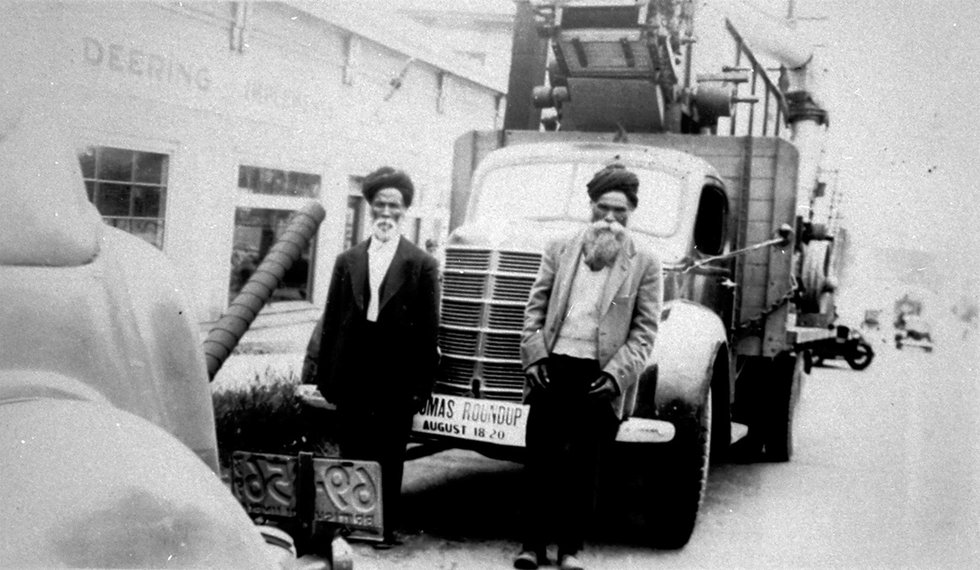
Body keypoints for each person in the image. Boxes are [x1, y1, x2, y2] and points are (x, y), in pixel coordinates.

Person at [514, 163, 663, 570]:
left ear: (632, 212)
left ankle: (570, 550)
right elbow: (535, 308)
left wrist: (616, 377)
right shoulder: (560, 247)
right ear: (590, 206)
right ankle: (530, 546)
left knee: (584, 467)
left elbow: (645, 332)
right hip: (553, 366)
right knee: (540, 460)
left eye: (620, 211)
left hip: (600, 376)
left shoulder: (645, 262)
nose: (610, 219)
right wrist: (535, 357)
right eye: (602, 209)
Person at [312, 166, 440, 548]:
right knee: (353, 445)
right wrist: (326, 375)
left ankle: (383, 527)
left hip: (395, 376)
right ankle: (351, 521)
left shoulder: (421, 264)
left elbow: (428, 332)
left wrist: (421, 386)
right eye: (380, 205)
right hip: (354, 370)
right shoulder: (347, 260)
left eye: (394, 206)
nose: (386, 213)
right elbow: (332, 321)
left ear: (405, 211)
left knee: (389, 451)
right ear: (370, 208)